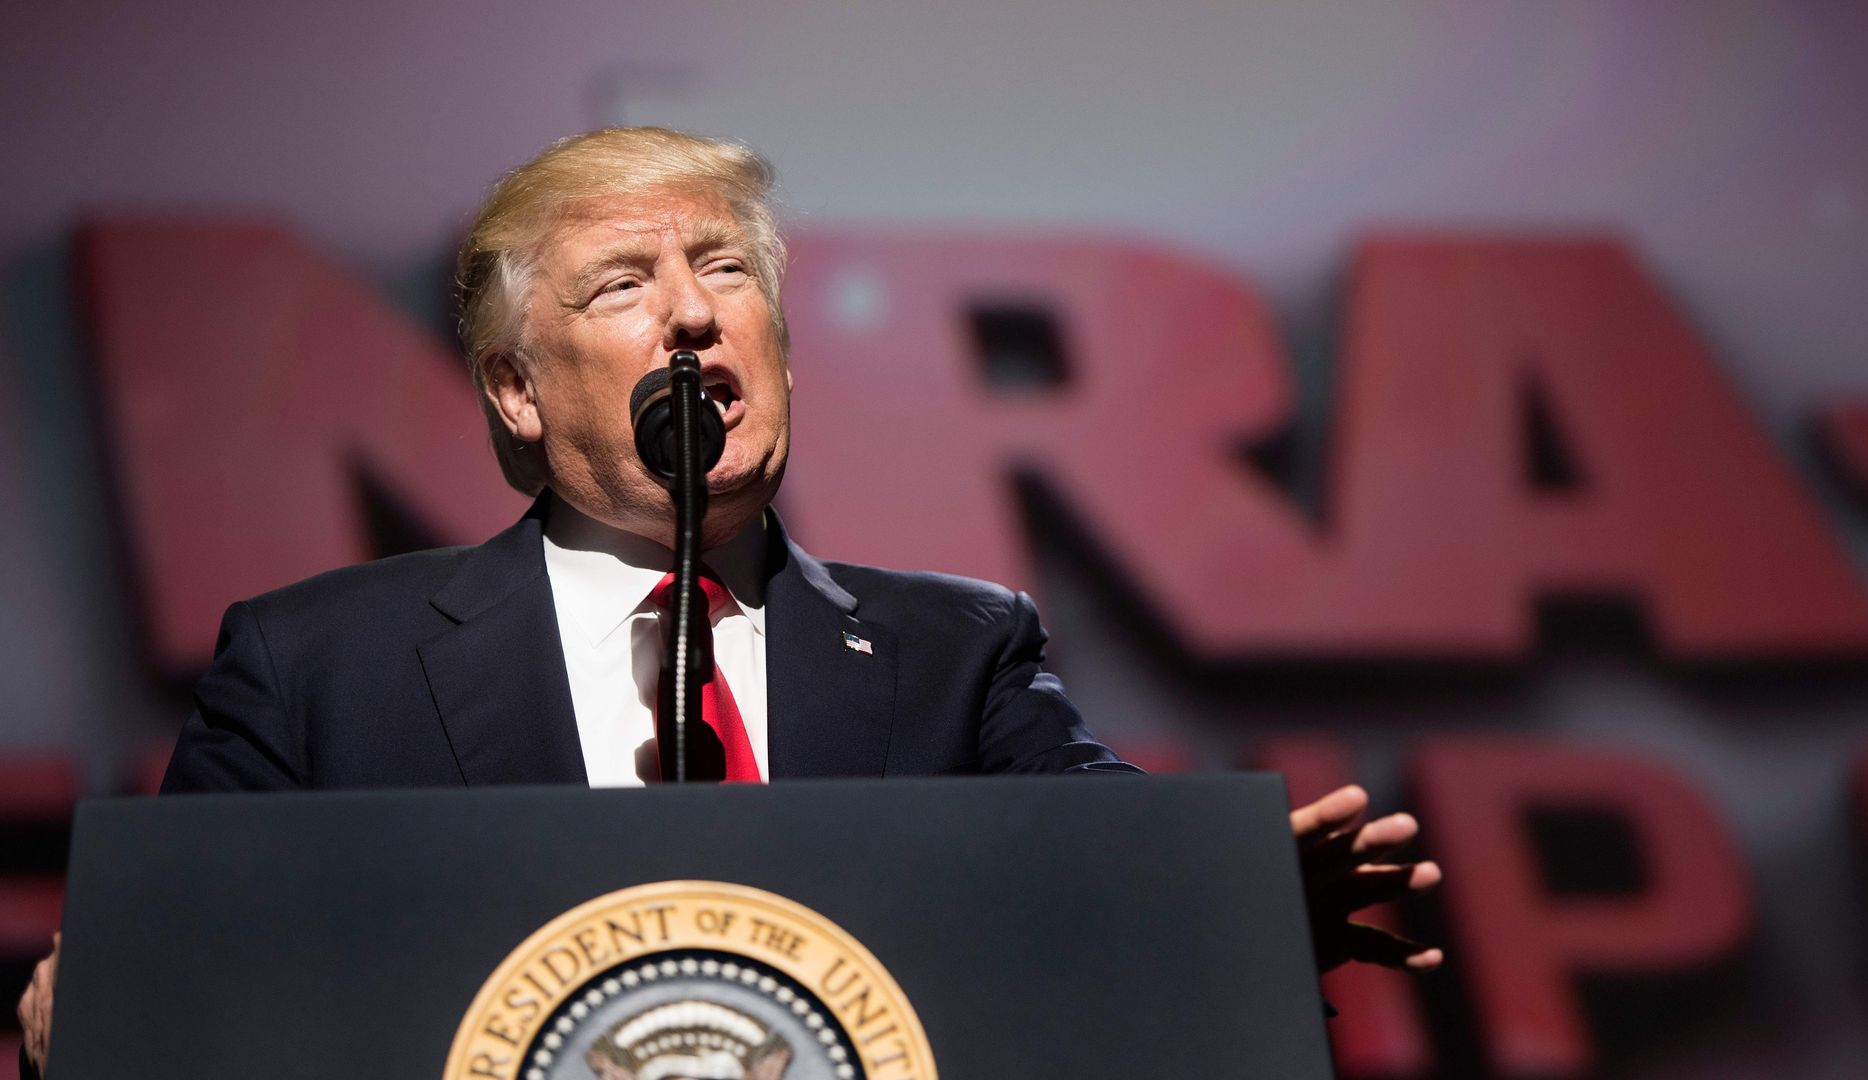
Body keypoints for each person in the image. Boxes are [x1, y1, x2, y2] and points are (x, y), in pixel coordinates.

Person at [15, 127, 1440, 1074]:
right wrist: (106, 1011)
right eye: (622, 284)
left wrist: (1225, 909)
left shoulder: (957, 647)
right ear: (515, 389)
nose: (692, 313)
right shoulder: (317, 664)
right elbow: (166, 984)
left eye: (724, 270)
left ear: (783, 344)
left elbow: (1095, 852)